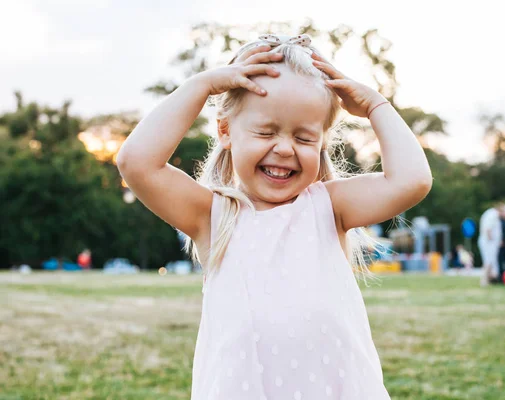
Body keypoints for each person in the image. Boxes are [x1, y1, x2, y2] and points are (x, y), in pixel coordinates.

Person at [116, 33, 432, 399]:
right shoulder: (213, 215)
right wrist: (202, 85)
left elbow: (413, 181)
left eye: (304, 138)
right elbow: (135, 163)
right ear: (225, 131)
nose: (284, 148)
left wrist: (377, 105)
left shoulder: (329, 206)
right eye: (266, 131)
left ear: (323, 143)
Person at [477, 204, 503, 286]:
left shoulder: (490, 214)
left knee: (489, 261)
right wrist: (491, 240)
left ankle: (489, 279)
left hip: (489, 242)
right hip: (489, 242)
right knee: (488, 261)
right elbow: (488, 229)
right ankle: (484, 280)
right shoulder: (493, 214)